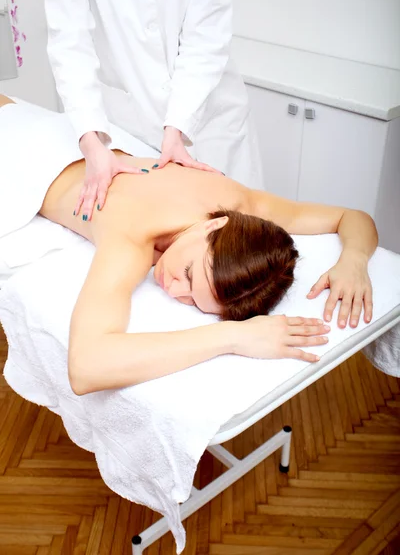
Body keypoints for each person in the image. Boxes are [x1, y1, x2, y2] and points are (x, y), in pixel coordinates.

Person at [0, 96, 377, 396]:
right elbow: (85, 368)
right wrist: (232, 337)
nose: (172, 286)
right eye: (189, 272)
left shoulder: (241, 204)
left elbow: (352, 217)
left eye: (193, 299)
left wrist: (354, 260)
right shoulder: (133, 236)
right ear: (215, 224)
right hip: (21, 155)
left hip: (63, 138)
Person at [43, 0, 263, 220]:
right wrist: (91, 144)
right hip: (134, 125)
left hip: (211, 121)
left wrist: (177, 127)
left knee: (247, 234)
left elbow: (205, 42)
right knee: (177, 230)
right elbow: (70, 47)